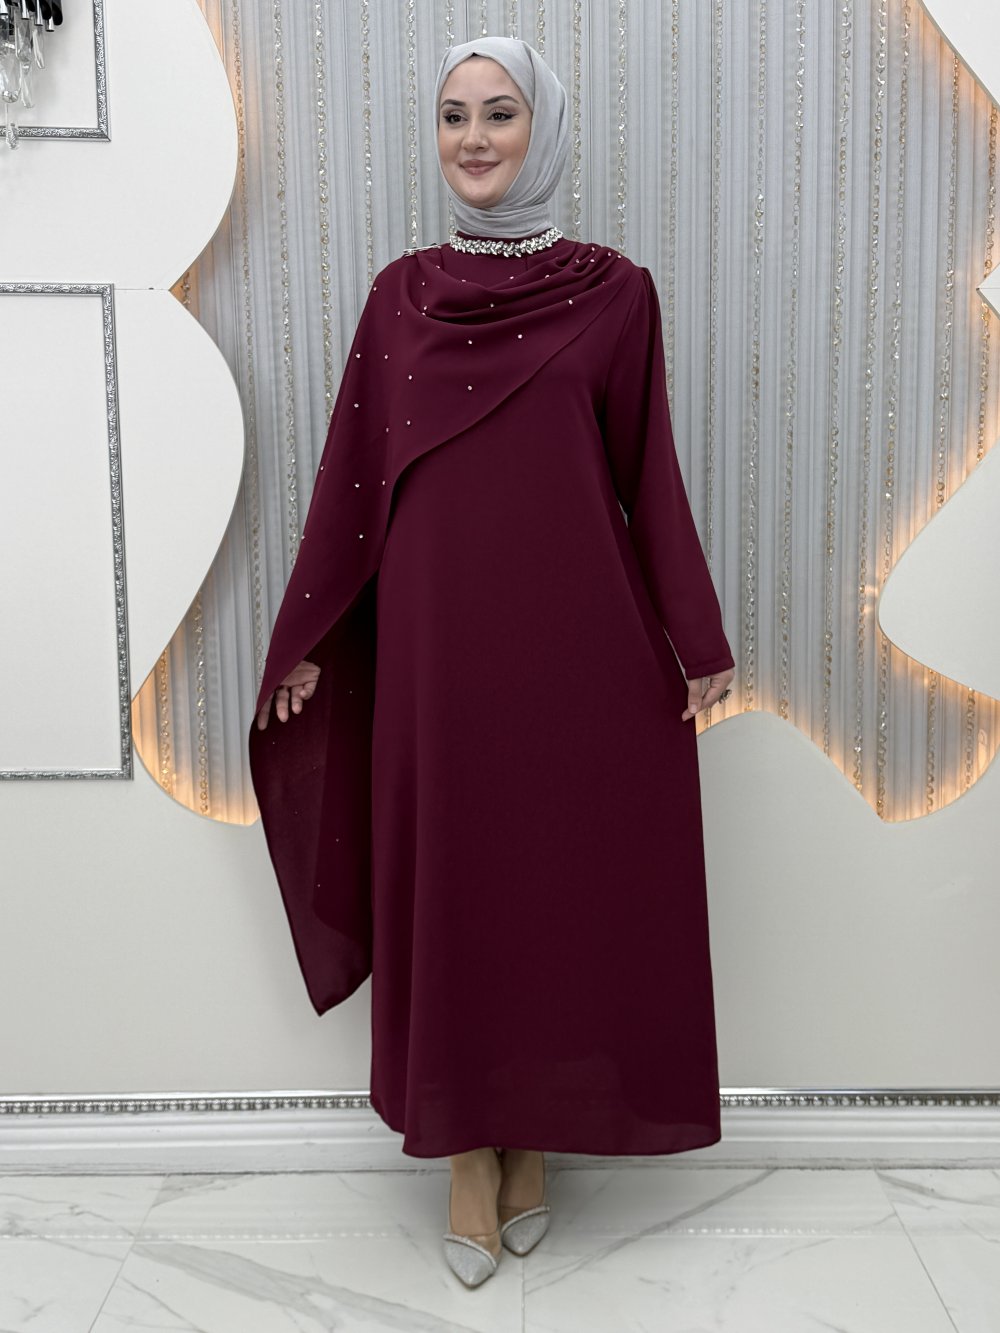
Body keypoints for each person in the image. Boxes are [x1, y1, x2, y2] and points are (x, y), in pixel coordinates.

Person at [249, 35, 735, 1289]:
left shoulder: (615, 293)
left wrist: (695, 637)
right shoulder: (399, 295)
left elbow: (646, 474)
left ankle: (528, 1139)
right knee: (455, 885)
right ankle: (468, 1151)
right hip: (435, 649)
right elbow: (352, 477)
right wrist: (307, 634)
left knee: (550, 891)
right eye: (454, 115)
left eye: (499, 114)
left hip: (576, 646)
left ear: (543, 129)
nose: (473, 138)